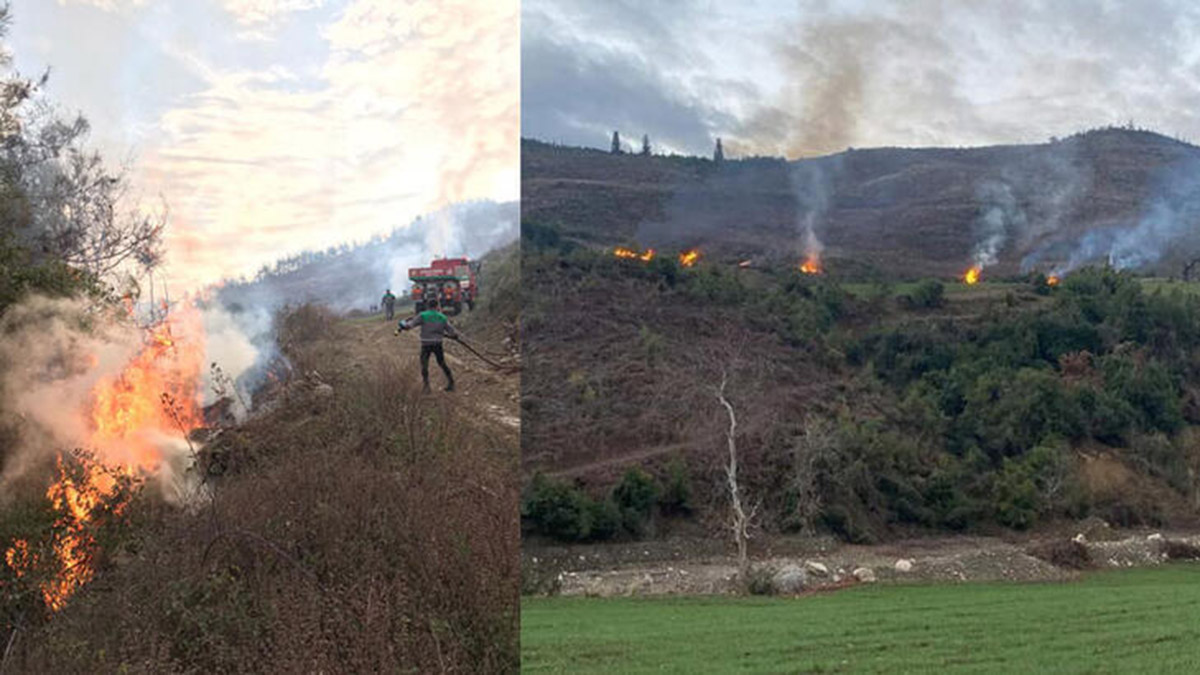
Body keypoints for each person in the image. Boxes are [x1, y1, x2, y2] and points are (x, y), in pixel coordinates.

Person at [396, 297, 456, 392]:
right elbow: (452, 332)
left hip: (426, 344)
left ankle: (426, 386)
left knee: (424, 364)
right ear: (437, 306)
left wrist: (402, 324)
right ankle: (451, 383)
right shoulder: (442, 317)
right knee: (442, 363)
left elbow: (409, 326)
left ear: (428, 306)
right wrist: (454, 335)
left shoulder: (423, 315)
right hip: (437, 343)